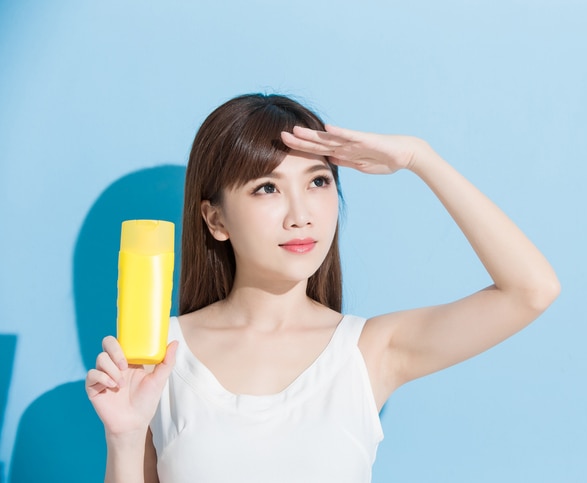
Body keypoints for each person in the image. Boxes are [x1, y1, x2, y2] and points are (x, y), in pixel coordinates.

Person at [85, 93, 560, 483]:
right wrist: (124, 438)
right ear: (215, 219)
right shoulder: (159, 356)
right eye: (267, 188)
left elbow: (531, 290)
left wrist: (420, 157)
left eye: (317, 181)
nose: (301, 214)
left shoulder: (369, 352)